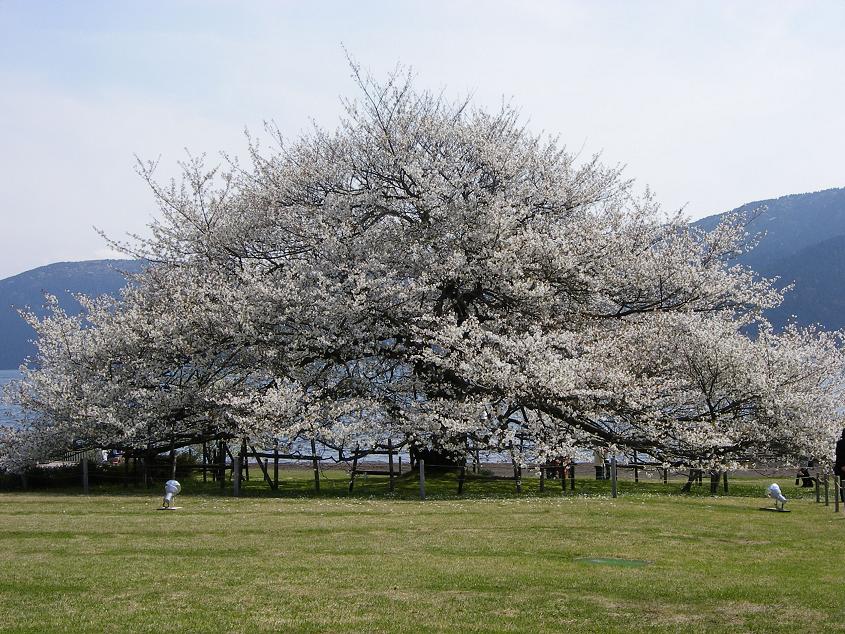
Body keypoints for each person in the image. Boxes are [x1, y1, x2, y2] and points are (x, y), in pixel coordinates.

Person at [836, 429, 845, 502]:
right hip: (843, 466)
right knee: (843, 482)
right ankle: (843, 497)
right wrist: (842, 465)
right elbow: (839, 455)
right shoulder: (840, 443)